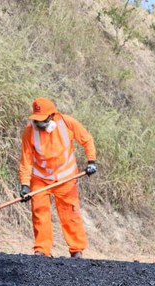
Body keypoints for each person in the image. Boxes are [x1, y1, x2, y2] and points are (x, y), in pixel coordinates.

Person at [18, 97, 97, 258]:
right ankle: (42, 250)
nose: (39, 124)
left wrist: (91, 161)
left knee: (70, 214)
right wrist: (25, 185)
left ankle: (76, 250)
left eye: (42, 120)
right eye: (37, 120)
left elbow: (87, 139)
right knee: (40, 213)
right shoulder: (29, 132)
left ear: (52, 116)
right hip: (40, 179)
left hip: (66, 179)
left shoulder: (67, 123)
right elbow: (25, 160)